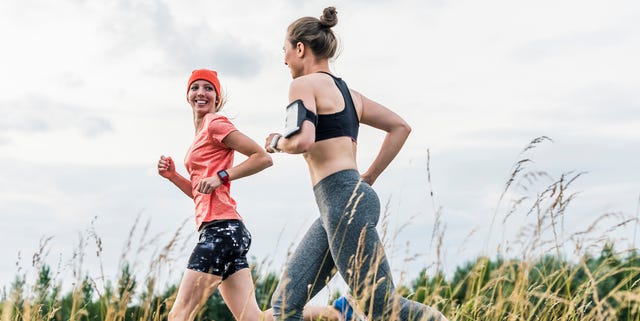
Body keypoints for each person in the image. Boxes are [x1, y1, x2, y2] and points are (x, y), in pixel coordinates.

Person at [264, 7, 448, 321]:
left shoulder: (303, 85)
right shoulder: (351, 95)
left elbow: (303, 139)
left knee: (382, 308)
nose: (283, 60)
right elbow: (400, 127)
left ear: (300, 48)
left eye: (284, 51)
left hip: (341, 203)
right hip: (338, 204)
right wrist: (369, 177)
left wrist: (277, 142)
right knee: (285, 304)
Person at [158, 68, 343, 321]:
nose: (201, 93)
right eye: (195, 87)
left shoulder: (216, 123)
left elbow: (262, 157)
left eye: (208, 88)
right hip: (227, 231)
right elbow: (201, 194)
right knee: (252, 319)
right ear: (187, 94)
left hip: (220, 232)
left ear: (217, 97)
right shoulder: (200, 135)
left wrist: (221, 176)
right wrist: (174, 176)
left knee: (178, 315)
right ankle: (339, 312)